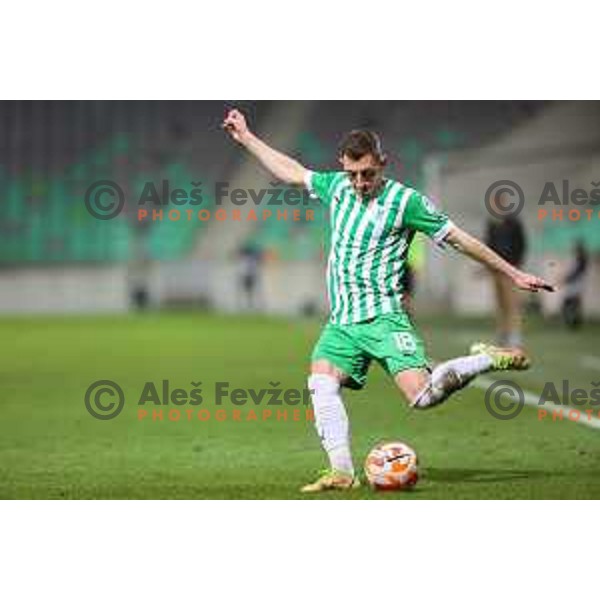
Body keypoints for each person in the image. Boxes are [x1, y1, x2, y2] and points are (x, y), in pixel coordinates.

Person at [223, 108, 555, 493]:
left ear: (383, 163)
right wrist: (247, 137)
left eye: (368, 173)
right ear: (342, 167)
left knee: (424, 397)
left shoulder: (407, 202)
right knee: (321, 383)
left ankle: (486, 357)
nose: (360, 182)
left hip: (384, 319)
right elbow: (292, 170)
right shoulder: (336, 187)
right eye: (352, 174)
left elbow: (462, 239)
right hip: (343, 322)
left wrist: (513, 273)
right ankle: (343, 473)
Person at [484, 200, 527, 347]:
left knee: (512, 304)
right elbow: (488, 245)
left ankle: (515, 335)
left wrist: (515, 266)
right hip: (495, 269)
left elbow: (521, 244)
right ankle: (502, 334)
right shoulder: (492, 223)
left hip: (510, 269)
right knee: (500, 304)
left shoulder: (514, 223)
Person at [561, 241, 589, 329]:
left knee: (571, 304)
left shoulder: (581, 260)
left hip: (576, 285)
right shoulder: (577, 259)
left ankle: (574, 323)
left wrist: (566, 279)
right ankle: (573, 323)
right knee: (571, 305)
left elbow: (576, 273)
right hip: (574, 285)